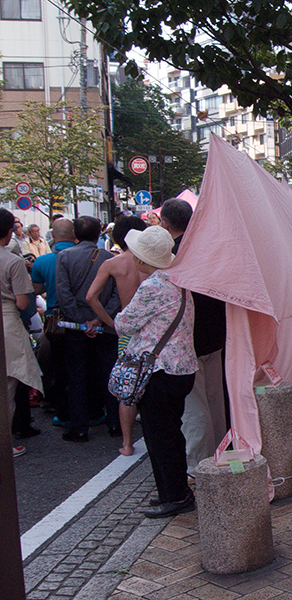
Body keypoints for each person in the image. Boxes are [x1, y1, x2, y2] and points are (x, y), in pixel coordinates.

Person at [115, 226, 198, 518]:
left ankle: (174, 496)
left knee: (159, 435)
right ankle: (172, 490)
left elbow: (124, 324)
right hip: (182, 369)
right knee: (170, 433)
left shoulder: (153, 287)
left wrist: (118, 316)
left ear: (140, 259)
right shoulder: (178, 281)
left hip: (159, 371)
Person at [161, 198, 228, 475]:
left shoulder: (171, 256)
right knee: (215, 399)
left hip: (187, 339)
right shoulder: (208, 248)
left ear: (165, 223)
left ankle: (199, 464)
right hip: (216, 331)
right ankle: (221, 451)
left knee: (195, 405)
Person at [85, 216, 148, 456]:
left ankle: (127, 443)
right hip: (156, 328)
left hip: (127, 330)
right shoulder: (154, 263)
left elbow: (91, 296)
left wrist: (112, 323)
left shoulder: (114, 263)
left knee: (128, 387)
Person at [56, 216, 121, 442]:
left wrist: (80, 320)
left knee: (77, 376)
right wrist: (100, 318)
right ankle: (115, 423)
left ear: (76, 234)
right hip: (104, 322)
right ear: (99, 233)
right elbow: (116, 294)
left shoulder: (64, 257)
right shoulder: (108, 258)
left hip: (75, 326)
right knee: (109, 373)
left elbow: (63, 294)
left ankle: (79, 426)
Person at [0, 209, 43, 458]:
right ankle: (5, 443)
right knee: (7, 385)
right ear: (8, 232)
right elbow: (22, 303)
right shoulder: (12, 261)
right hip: (7, 323)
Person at [31, 218, 76, 430]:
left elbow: (37, 290)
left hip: (54, 321)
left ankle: (61, 410)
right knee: (83, 366)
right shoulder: (90, 257)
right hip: (85, 319)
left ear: (53, 237)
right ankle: (90, 410)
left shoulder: (42, 261)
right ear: (74, 234)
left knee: (58, 366)